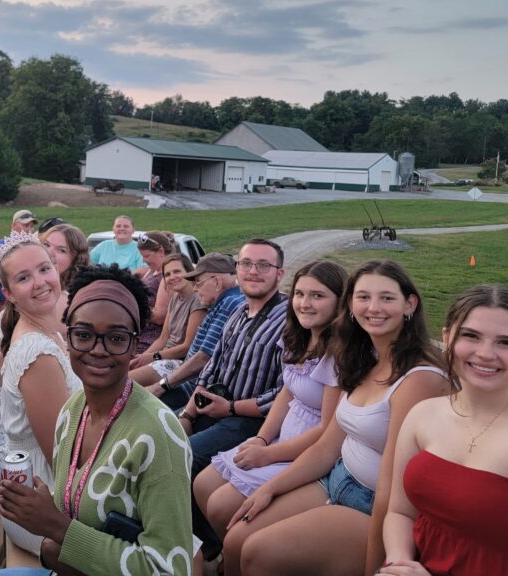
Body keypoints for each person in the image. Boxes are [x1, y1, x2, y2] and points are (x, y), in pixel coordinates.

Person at [226, 260, 448, 576]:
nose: (373, 307)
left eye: (387, 298)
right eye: (363, 297)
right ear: (350, 305)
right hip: (335, 478)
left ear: (409, 304)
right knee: (236, 539)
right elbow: (328, 446)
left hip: (371, 503)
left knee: (258, 552)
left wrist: (377, 567)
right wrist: (271, 488)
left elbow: (392, 487)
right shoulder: (362, 358)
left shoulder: (419, 378)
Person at [0, 265, 194, 576]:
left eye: (116, 338)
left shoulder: (157, 435)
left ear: (134, 345)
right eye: (83, 335)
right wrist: (38, 508)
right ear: (67, 338)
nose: (97, 350)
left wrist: (57, 527)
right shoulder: (73, 411)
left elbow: (169, 570)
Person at [380, 285, 508, 576]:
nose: (485, 354)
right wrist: (400, 562)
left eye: (506, 342)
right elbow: (399, 513)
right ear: (447, 338)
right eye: (470, 336)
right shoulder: (423, 415)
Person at [193, 260, 347, 568]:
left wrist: (268, 454)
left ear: (339, 302)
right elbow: (287, 394)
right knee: (203, 484)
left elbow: (328, 430)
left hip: (308, 449)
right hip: (280, 435)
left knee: (221, 504)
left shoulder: (338, 354)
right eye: (300, 294)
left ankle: (239, 557)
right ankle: (230, 553)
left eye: (318, 296)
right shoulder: (298, 336)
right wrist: (262, 439)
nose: (305, 303)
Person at [175, 239, 291, 557]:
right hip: (215, 407)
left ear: (279, 273)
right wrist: (187, 415)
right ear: (236, 269)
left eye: (263, 265)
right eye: (246, 264)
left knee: (181, 455)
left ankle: (207, 544)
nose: (253, 271)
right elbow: (211, 369)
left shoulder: (289, 320)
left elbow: (286, 393)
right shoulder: (239, 312)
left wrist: (230, 408)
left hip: (252, 422)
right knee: (164, 434)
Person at [0, 223, 89, 452]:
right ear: (9, 293)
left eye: (60, 251)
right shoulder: (33, 331)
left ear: (73, 259)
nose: (39, 282)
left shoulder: (54, 314)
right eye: (47, 244)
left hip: (21, 406)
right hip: (5, 397)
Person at [0, 234, 83, 554]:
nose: (40, 283)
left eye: (44, 269)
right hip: (42, 499)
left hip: (40, 487)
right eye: (23, 278)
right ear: (9, 294)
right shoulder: (38, 354)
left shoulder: (50, 333)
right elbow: (62, 456)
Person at [150, 252, 244, 407]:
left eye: (198, 282)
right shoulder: (223, 301)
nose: (194, 288)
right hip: (190, 383)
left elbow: (203, 358)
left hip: (194, 389)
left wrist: (161, 385)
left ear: (217, 282)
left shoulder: (229, 303)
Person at [129, 253, 205, 386]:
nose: (172, 277)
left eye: (177, 271)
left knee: (124, 381)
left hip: (180, 362)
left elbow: (187, 347)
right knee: (122, 371)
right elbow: (163, 338)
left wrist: (154, 356)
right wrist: (141, 358)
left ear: (189, 272)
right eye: (168, 274)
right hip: (163, 356)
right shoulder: (175, 298)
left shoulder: (197, 300)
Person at [0, 210, 38, 347]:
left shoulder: (35, 249)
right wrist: (19, 276)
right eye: (25, 225)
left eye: (31, 226)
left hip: (25, 300)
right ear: (13, 226)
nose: (29, 229)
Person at [133, 230, 172, 353]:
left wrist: (132, 307)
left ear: (161, 252)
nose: (144, 260)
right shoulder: (151, 271)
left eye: (147, 256)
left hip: (149, 341)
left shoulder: (166, 277)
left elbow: (160, 316)